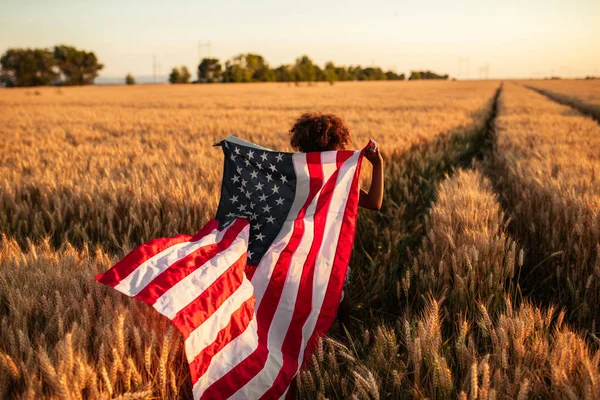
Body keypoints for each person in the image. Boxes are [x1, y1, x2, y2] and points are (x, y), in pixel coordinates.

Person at [289, 112, 384, 334]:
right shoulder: (339, 178)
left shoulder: (293, 174)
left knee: (296, 297)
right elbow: (374, 202)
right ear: (337, 146)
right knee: (337, 291)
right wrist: (378, 164)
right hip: (328, 251)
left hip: (295, 251)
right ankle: (345, 333)